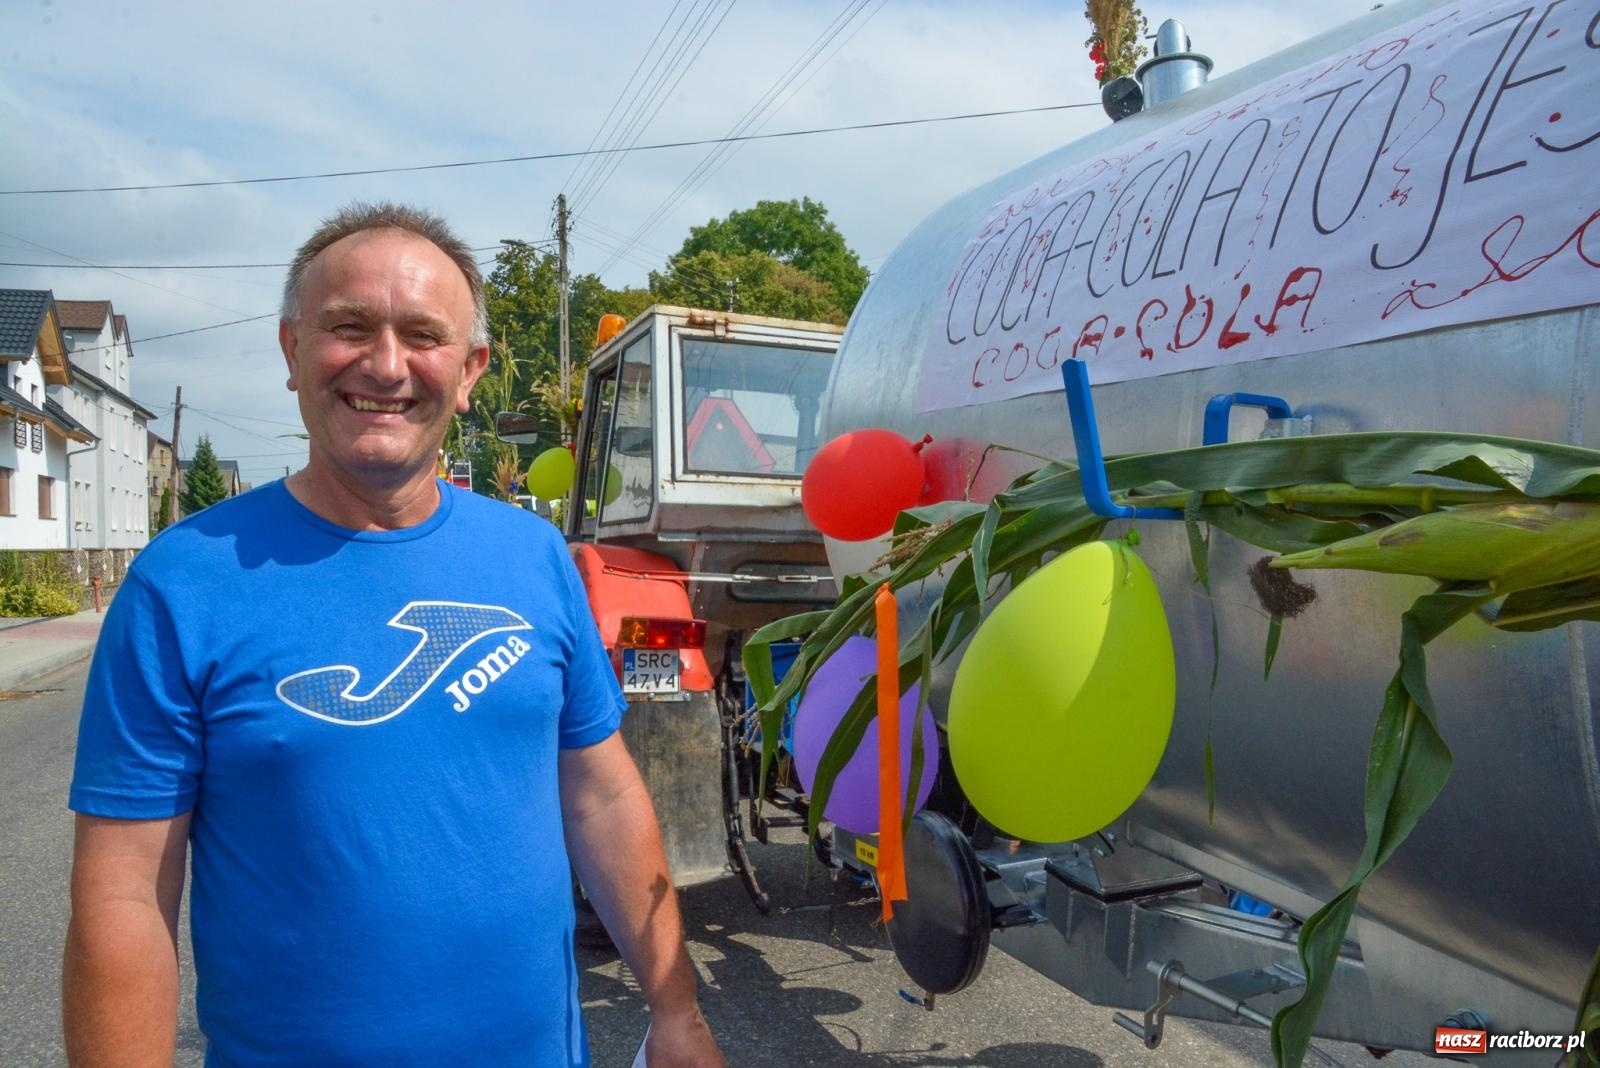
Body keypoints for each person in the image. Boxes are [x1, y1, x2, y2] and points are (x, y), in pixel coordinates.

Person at [62, 202, 725, 1068]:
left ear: (472, 366)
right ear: (293, 351)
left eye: (422, 334)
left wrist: (677, 1012)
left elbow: (600, 795)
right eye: (348, 328)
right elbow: (124, 900)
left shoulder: (534, 557)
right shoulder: (183, 586)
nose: (386, 364)